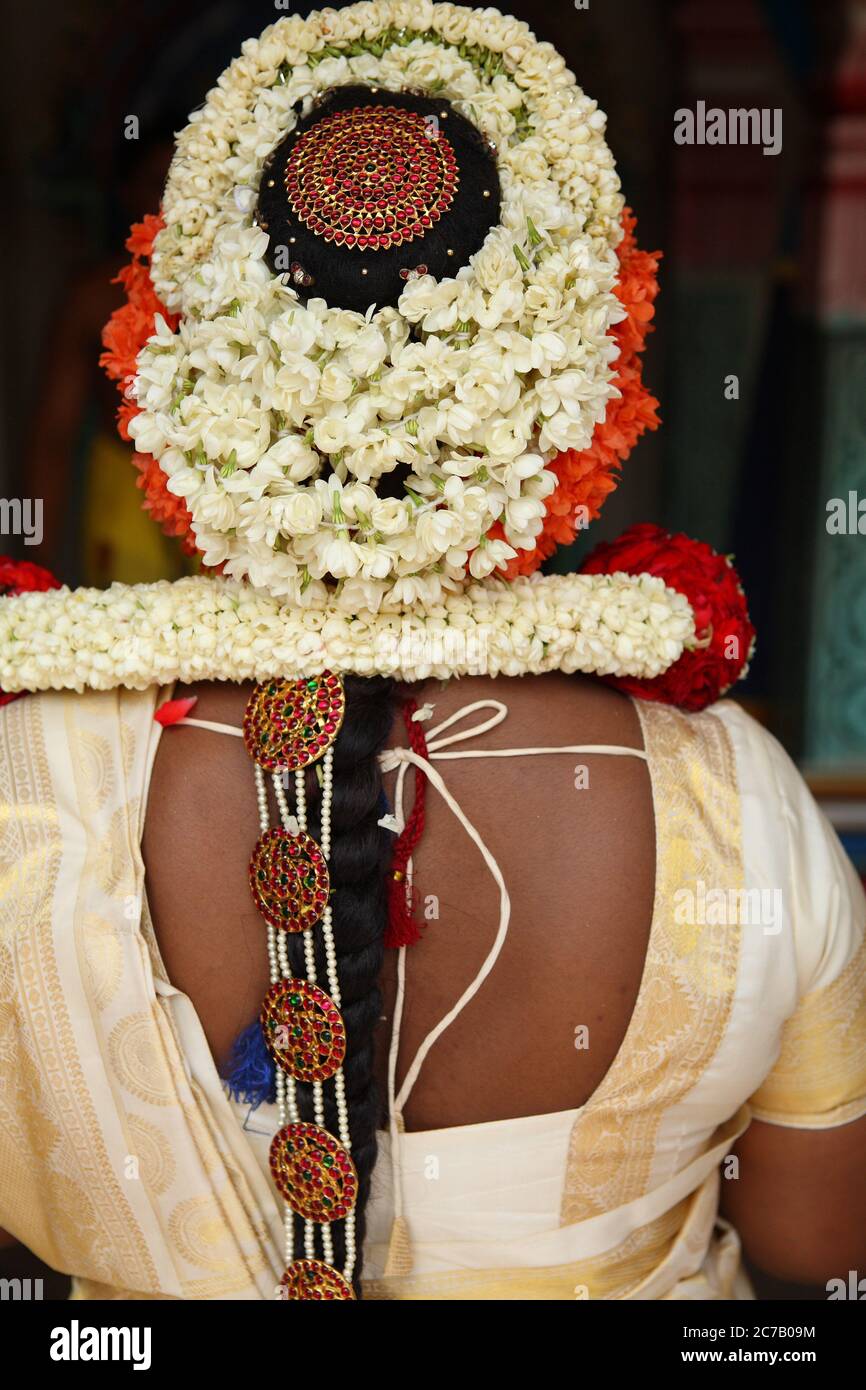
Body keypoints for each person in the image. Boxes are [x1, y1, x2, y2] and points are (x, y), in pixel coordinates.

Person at [0, 2, 864, 1302]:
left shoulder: (28, 773)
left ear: (180, 357)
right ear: (582, 367)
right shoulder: (734, 794)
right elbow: (820, 1248)